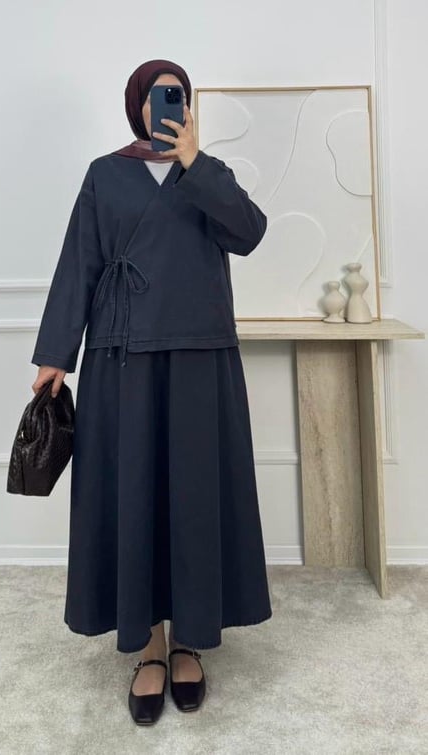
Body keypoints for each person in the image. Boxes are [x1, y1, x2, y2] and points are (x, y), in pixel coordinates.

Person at [31, 59, 273, 725]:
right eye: (157, 96)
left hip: (201, 354)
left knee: (193, 498)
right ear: (136, 105)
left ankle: (190, 639)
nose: (168, 105)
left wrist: (196, 162)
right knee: (134, 495)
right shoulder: (104, 174)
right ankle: (150, 648)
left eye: (178, 96)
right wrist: (55, 355)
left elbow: (249, 234)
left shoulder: (209, 173)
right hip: (123, 354)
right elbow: (78, 262)